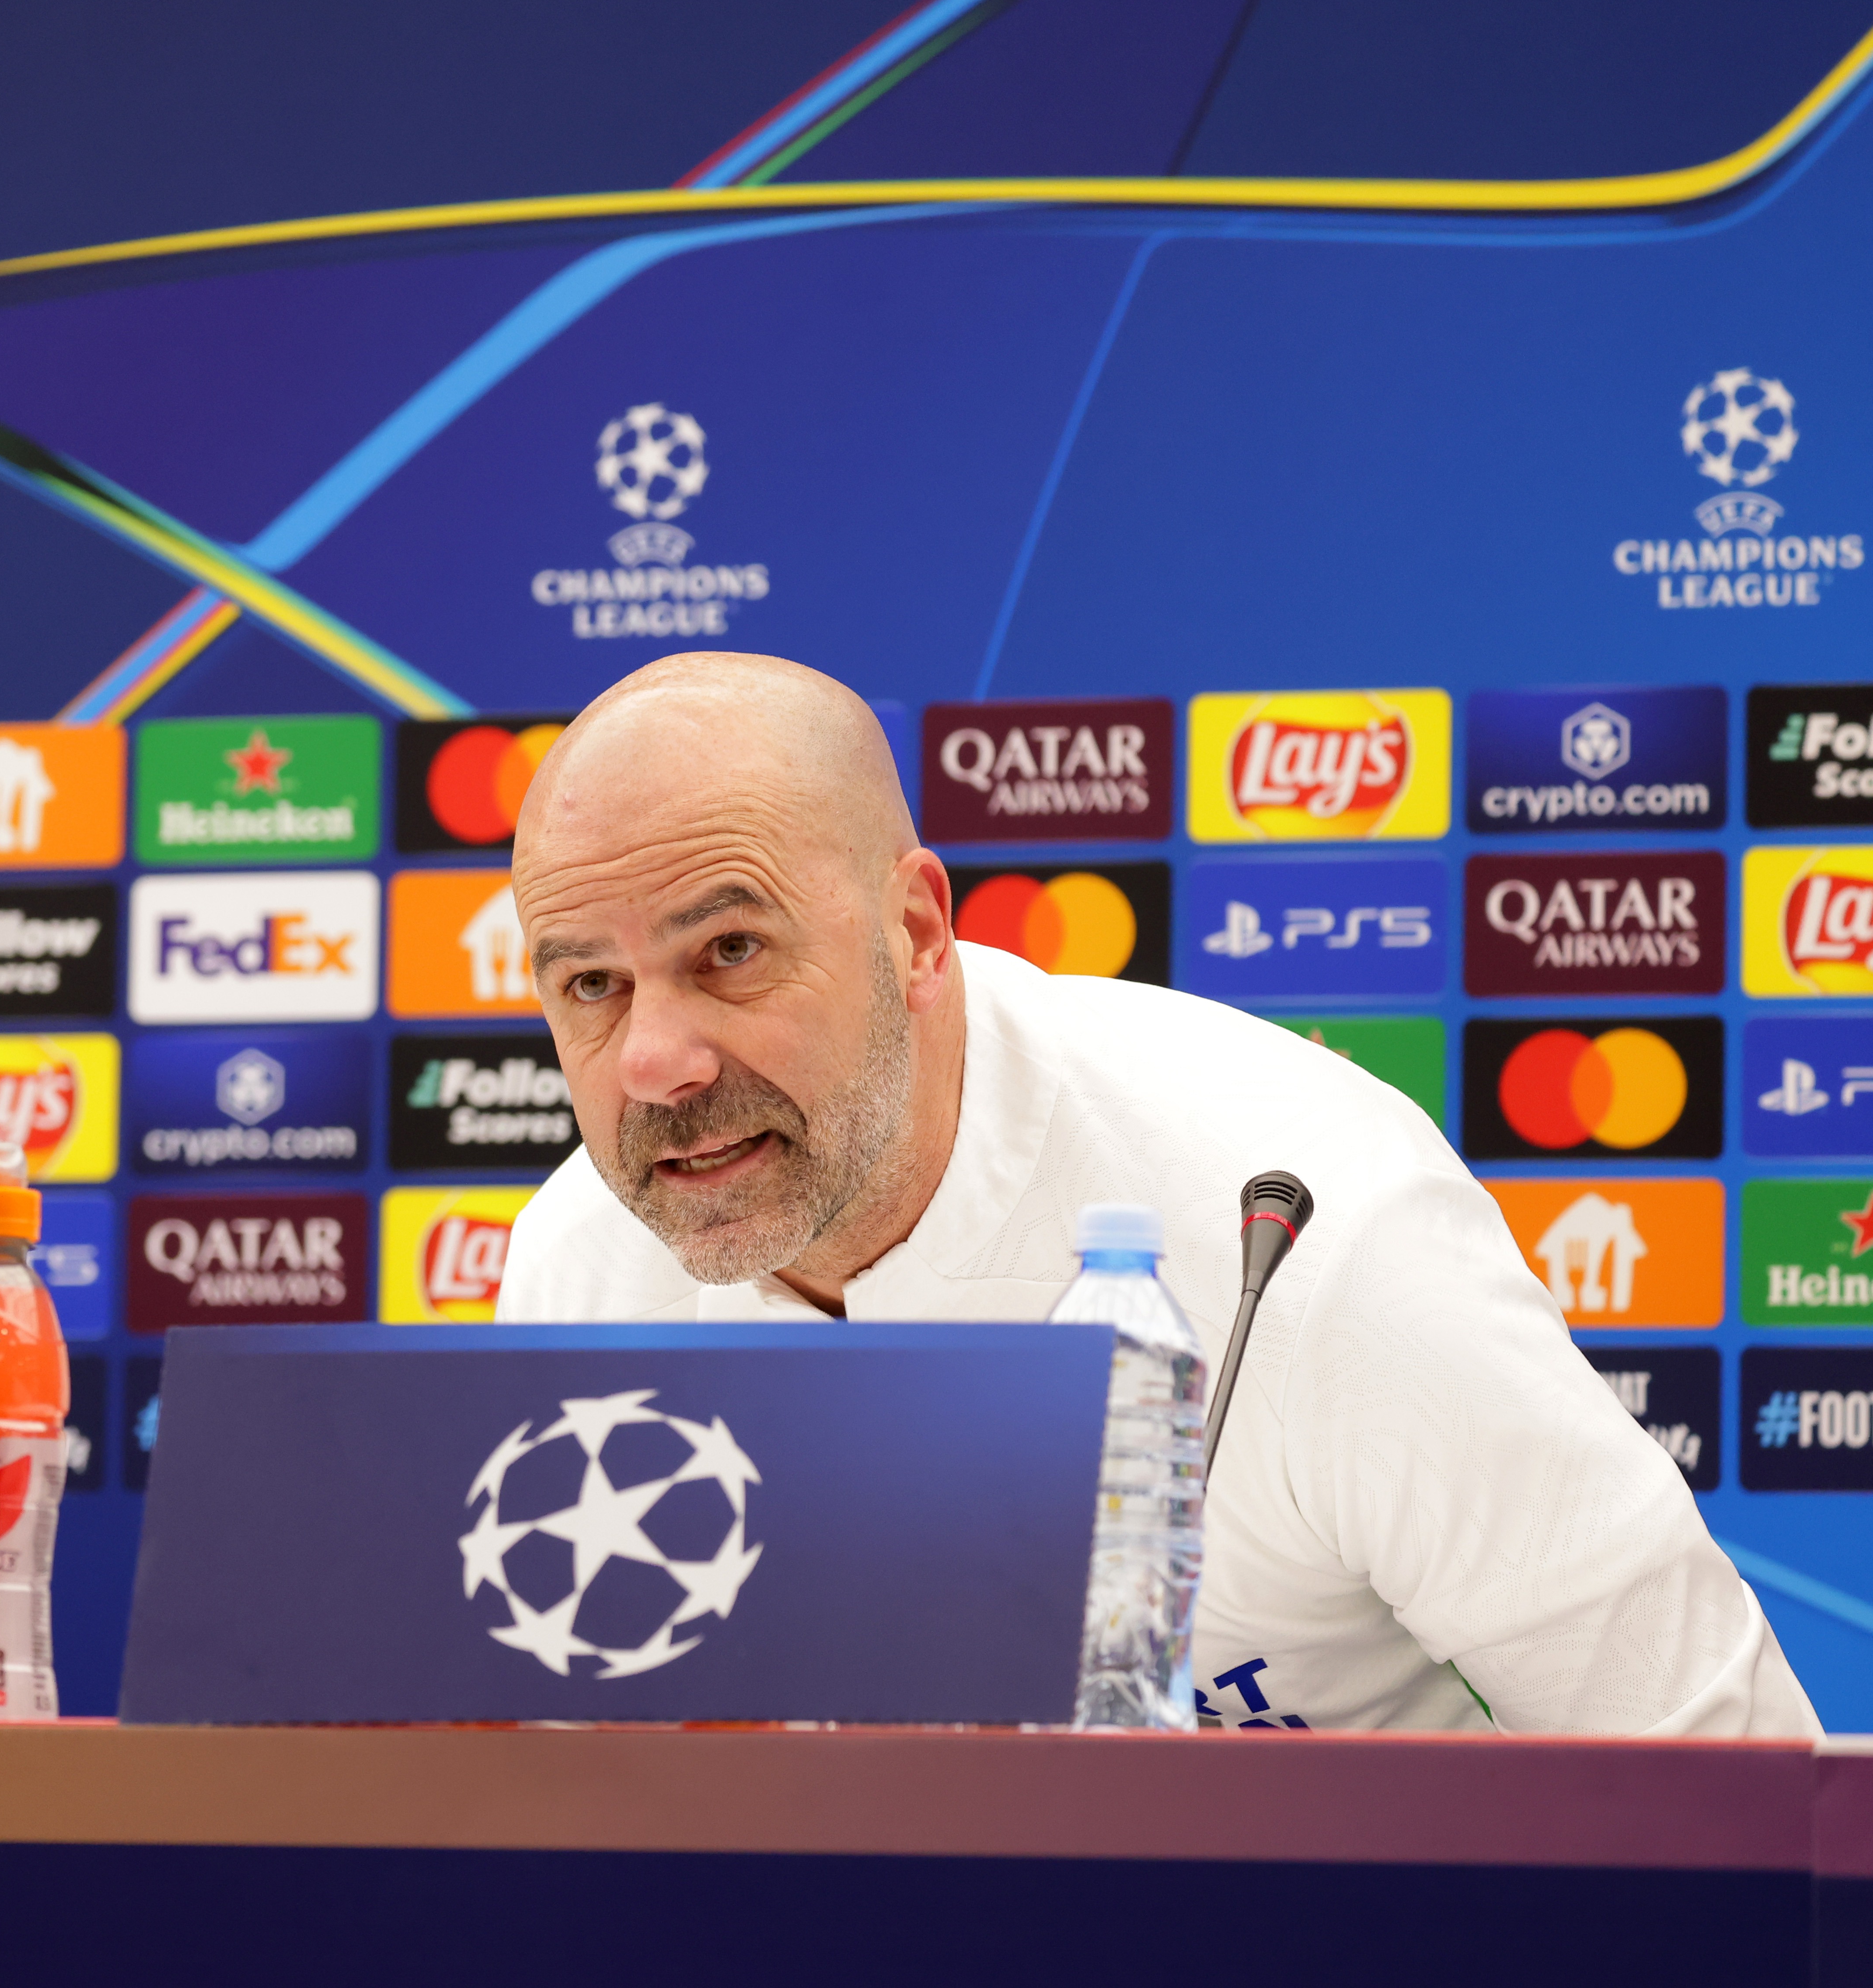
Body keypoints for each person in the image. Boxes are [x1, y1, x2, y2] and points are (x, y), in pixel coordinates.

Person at [495, 651, 1815, 1736]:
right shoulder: (580, 1266)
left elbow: (1731, 1795)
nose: (658, 1064)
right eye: (589, 986)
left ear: (915, 934)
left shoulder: (1306, 1232)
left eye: (730, 949)